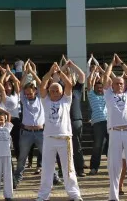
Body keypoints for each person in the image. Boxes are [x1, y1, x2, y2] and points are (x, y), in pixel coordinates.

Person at [36, 63, 82, 201]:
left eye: (57, 91)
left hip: (65, 139)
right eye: (52, 90)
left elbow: (69, 85)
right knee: (46, 169)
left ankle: (74, 195)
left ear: (62, 92)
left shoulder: (66, 100)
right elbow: (43, 84)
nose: (55, 92)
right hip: (49, 138)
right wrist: (51, 72)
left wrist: (60, 73)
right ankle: (43, 196)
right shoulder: (46, 101)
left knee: (68, 169)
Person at [103, 54, 127, 201]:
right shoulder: (108, 95)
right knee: (114, 166)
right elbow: (105, 78)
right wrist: (111, 65)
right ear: (112, 85)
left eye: (121, 83)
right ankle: (113, 196)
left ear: (124, 85)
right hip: (115, 132)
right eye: (116, 83)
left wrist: (121, 63)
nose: (119, 85)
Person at [13, 63, 45, 187]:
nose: (28, 95)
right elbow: (20, 86)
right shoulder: (24, 99)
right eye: (26, 94)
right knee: (22, 157)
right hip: (26, 133)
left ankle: (54, 176)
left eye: (30, 93)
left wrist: (34, 73)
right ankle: (17, 178)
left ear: (35, 91)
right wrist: (26, 73)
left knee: (47, 156)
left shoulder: (41, 98)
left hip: (40, 132)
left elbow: (42, 84)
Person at [60, 59, 86, 177]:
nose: (68, 79)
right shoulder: (60, 90)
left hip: (76, 119)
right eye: (66, 77)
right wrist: (64, 67)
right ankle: (63, 169)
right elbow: (56, 76)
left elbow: (82, 75)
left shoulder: (77, 89)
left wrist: (72, 65)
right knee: (62, 146)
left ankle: (79, 168)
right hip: (62, 121)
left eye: (70, 77)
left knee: (77, 145)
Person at [87, 64, 108, 176]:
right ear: (95, 88)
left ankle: (115, 167)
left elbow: (108, 80)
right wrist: (94, 71)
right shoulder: (91, 95)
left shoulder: (107, 95)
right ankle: (94, 168)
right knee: (97, 146)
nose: (100, 89)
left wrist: (102, 71)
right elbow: (89, 81)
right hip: (98, 123)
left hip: (110, 122)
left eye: (101, 88)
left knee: (113, 145)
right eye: (98, 88)